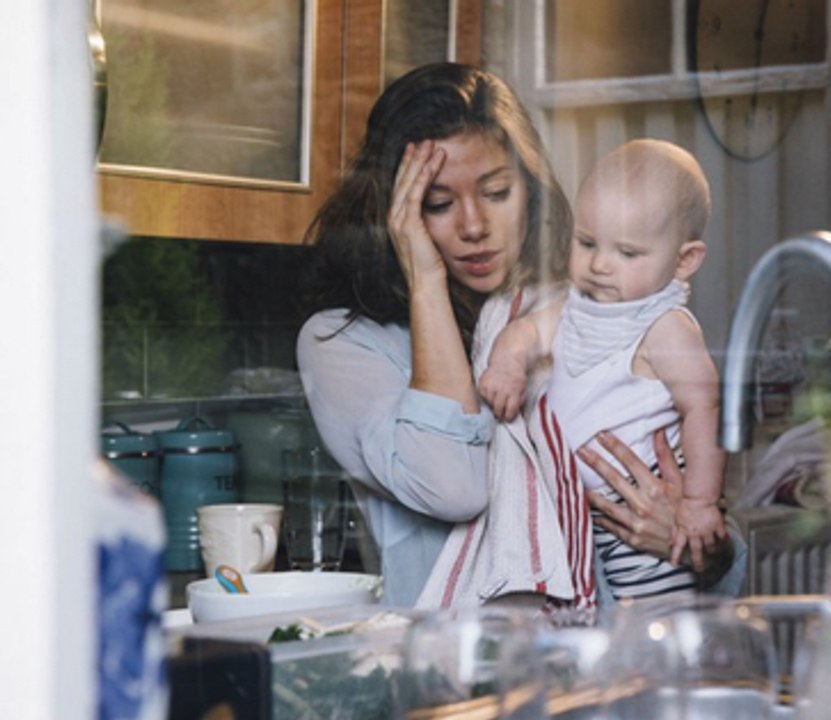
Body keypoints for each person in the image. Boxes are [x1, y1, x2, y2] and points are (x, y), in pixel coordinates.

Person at [295, 63, 742, 608]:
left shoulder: (587, 312)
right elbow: (453, 485)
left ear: (530, 193)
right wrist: (426, 278)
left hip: (607, 658)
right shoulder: (343, 344)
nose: (474, 225)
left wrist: (695, 543)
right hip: (455, 671)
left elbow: (722, 553)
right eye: (436, 204)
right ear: (393, 213)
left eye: (497, 192)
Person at [478, 139, 727, 600]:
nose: (599, 265)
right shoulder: (576, 308)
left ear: (684, 260)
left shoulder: (664, 326)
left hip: (643, 515)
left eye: (628, 253)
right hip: (583, 516)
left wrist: (698, 502)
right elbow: (526, 333)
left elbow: (705, 408)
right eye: (587, 242)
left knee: (655, 621)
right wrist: (507, 364)